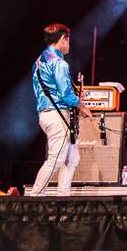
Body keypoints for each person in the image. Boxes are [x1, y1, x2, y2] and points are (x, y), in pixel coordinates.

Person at [30, 23, 91, 196]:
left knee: (72, 158)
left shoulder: (40, 60)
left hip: (46, 113)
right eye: (68, 40)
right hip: (57, 114)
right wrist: (82, 105)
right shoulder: (59, 63)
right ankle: (34, 197)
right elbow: (64, 94)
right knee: (56, 159)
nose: (69, 44)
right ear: (63, 39)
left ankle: (63, 196)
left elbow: (51, 88)